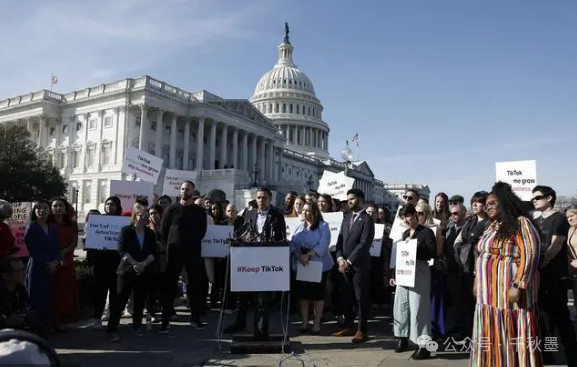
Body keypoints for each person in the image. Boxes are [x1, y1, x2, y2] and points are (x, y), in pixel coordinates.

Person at [470, 182, 542, 366]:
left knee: (511, 333)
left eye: (492, 203)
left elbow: (530, 254)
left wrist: (518, 284)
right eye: (486, 204)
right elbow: (482, 255)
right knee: (490, 333)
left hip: (508, 295)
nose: (487, 206)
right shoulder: (490, 226)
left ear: (505, 202)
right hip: (488, 296)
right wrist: (478, 280)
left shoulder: (520, 222)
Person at [224, 187, 286, 338]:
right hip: (250, 257)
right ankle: (240, 322)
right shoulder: (249, 213)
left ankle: (262, 326)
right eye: (258, 197)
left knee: (263, 296)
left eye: (264, 198)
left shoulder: (277, 215)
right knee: (243, 292)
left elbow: (281, 236)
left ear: (270, 199)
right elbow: (242, 232)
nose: (261, 200)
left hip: (267, 258)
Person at [532, 185, 577, 366]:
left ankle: (572, 357)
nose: (534, 200)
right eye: (533, 198)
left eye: (538, 197)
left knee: (561, 320)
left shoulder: (559, 219)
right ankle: (548, 358)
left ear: (549, 198)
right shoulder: (535, 221)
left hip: (555, 278)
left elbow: (554, 247)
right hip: (539, 278)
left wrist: (537, 265)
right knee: (543, 321)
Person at [160, 181, 208, 332]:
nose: (183, 191)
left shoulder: (199, 212)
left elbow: (202, 232)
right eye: (181, 189)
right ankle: (165, 320)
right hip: (174, 253)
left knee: (194, 286)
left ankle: (195, 318)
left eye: (187, 189)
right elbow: (164, 230)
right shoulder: (171, 209)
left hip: (192, 253)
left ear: (192, 192)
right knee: (169, 286)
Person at [390, 203, 436, 360]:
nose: (406, 219)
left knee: (419, 309)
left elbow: (432, 252)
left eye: (408, 216)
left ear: (415, 215)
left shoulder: (426, 232)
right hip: (404, 273)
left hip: (419, 272)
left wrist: (414, 246)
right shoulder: (404, 234)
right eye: (403, 217)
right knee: (401, 306)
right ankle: (402, 338)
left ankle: (424, 346)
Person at [106, 202, 156, 342]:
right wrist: (134, 263)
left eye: (147, 215)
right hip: (126, 270)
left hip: (143, 270)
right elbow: (121, 250)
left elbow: (153, 252)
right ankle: (112, 328)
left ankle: (137, 326)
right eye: (142, 215)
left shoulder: (150, 233)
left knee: (140, 300)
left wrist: (143, 264)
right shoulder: (126, 231)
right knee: (120, 300)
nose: (145, 217)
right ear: (135, 215)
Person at [333, 189, 374, 344]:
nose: (349, 201)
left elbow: (364, 244)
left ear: (361, 200)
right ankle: (349, 325)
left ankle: (361, 330)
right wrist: (340, 259)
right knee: (347, 297)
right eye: (348, 199)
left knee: (360, 299)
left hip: (359, 266)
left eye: (352, 199)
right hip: (344, 266)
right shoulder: (346, 218)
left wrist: (349, 261)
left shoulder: (367, 219)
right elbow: (340, 241)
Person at [290, 201, 333, 335]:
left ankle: (316, 323)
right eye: (303, 210)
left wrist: (308, 255)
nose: (305, 212)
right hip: (301, 264)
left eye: (308, 210)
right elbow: (291, 243)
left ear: (314, 212)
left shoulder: (323, 226)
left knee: (317, 295)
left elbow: (324, 243)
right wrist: (299, 255)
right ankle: (304, 322)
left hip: (317, 264)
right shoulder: (299, 227)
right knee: (303, 295)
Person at [451, 191, 489, 339]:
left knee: (478, 303)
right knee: (465, 303)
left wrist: (471, 247)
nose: (474, 204)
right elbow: (457, 241)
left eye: (478, 201)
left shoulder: (489, 223)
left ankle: (480, 334)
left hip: (479, 271)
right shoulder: (470, 222)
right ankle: (467, 333)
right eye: (473, 201)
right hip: (465, 269)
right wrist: (466, 249)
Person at [24, 200, 61, 334]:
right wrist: (47, 263)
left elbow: (57, 247)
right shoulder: (32, 227)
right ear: (34, 211)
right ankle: (34, 327)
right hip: (36, 267)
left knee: (47, 296)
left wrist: (56, 262)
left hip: (51, 268)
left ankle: (46, 325)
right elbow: (32, 249)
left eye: (45, 208)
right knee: (34, 296)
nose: (42, 210)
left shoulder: (53, 227)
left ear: (49, 211)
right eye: (38, 208)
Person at [86, 197, 122, 330]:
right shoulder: (98, 221)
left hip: (116, 263)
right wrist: (97, 246)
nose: (109, 206)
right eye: (107, 204)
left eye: (112, 204)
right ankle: (97, 318)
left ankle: (113, 319)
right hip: (100, 262)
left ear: (117, 206)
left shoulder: (122, 222)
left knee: (114, 294)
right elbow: (91, 242)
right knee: (100, 293)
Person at [50, 197, 79, 329]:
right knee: (53, 289)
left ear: (65, 208)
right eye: (55, 205)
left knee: (66, 288)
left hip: (67, 260)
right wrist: (57, 255)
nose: (58, 208)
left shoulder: (71, 224)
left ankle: (65, 316)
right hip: (51, 260)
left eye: (61, 205)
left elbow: (74, 242)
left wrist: (64, 253)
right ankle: (53, 317)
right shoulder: (48, 224)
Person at [147, 204, 165, 323]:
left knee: (163, 288)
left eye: (155, 213)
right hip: (151, 263)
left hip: (163, 261)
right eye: (151, 214)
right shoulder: (147, 228)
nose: (154, 216)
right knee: (151, 290)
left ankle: (165, 311)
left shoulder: (165, 228)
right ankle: (151, 312)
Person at [0, 257, 30, 330]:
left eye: (23, 269)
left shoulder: (21, 289)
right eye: (18, 271)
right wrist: (6, 321)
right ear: (6, 276)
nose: (23, 273)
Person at [566, 205, 577, 318]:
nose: (569, 218)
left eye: (572, 215)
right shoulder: (570, 230)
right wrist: (571, 261)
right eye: (567, 217)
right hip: (574, 269)